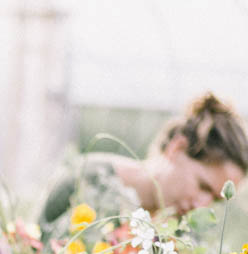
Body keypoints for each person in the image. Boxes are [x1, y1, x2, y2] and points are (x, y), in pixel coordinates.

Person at [40, 93, 248, 238]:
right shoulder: (85, 182)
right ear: (177, 148)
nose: (201, 206)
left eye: (214, 200)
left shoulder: (182, 235)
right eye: (203, 186)